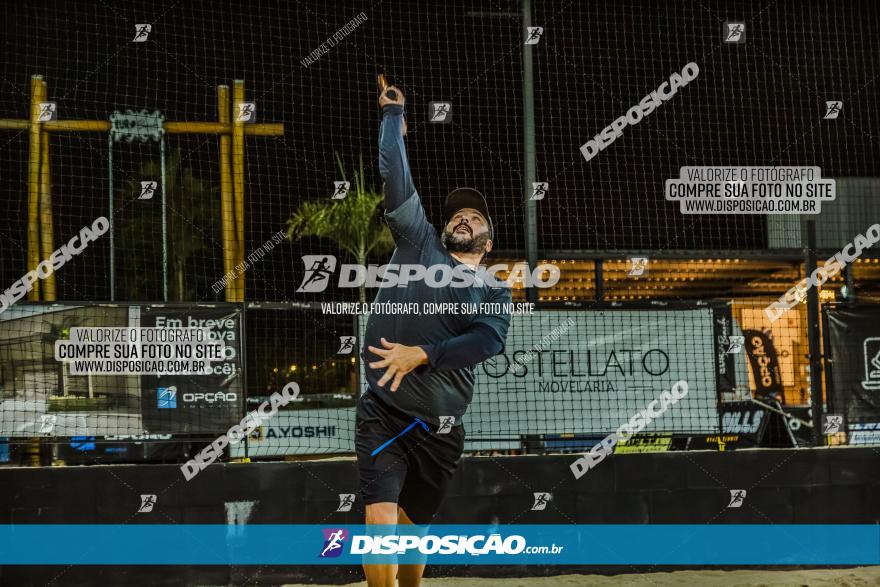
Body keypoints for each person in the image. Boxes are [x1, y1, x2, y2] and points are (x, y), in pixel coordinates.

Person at [356, 83, 511, 587]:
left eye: (475, 217)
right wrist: (393, 117)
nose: (463, 217)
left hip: (442, 427)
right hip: (382, 410)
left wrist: (421, 353)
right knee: (379, 519)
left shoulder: (492, 290)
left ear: (487, 242)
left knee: (412, 528)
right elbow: (395, 175)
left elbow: (487, 343)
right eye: (458, 214)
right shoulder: (419, 241)